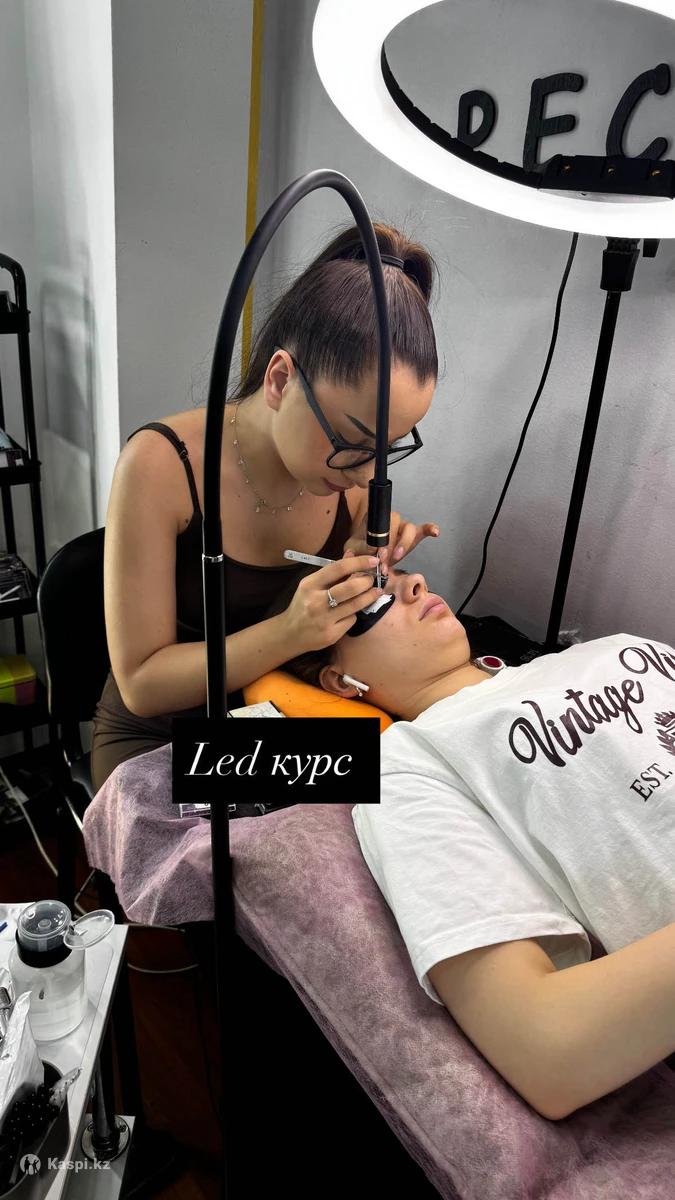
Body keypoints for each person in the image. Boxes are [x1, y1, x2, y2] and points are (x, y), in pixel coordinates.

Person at [266, 566, 675, 1121]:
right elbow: (547, 1048)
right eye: (371, 605)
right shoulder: (410, 767)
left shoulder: (617, 648)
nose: (415, 584)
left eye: (400, 576)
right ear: (340, 682)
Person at [91, 223, 442, 792]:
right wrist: (291, 632)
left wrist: (362, 567)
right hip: (162, 738)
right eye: (355, 443)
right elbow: (141, 684)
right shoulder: (159, 466)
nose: (367, 474)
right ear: (280, 379)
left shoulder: (348, 476)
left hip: (279, 709)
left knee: (411, 785)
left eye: (390, 447)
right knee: (367, 799)